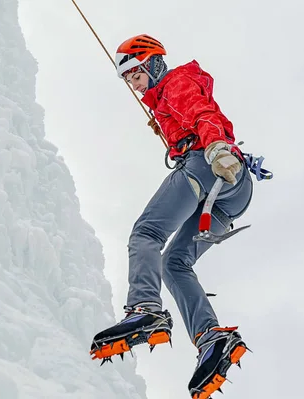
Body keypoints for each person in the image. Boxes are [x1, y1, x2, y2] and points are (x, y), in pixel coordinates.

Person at [89, 34, 254, 399]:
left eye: (136, 73)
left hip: (211, 164)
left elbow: (202, 114)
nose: (133, 83)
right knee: (174, 264)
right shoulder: (165, 99)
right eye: (128, 79)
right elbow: (194, 114)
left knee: (146, 234)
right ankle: (211, 338)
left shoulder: (176, 83)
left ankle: (145, 308)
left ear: (152, 63)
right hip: (233, 193)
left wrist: (215, 148)